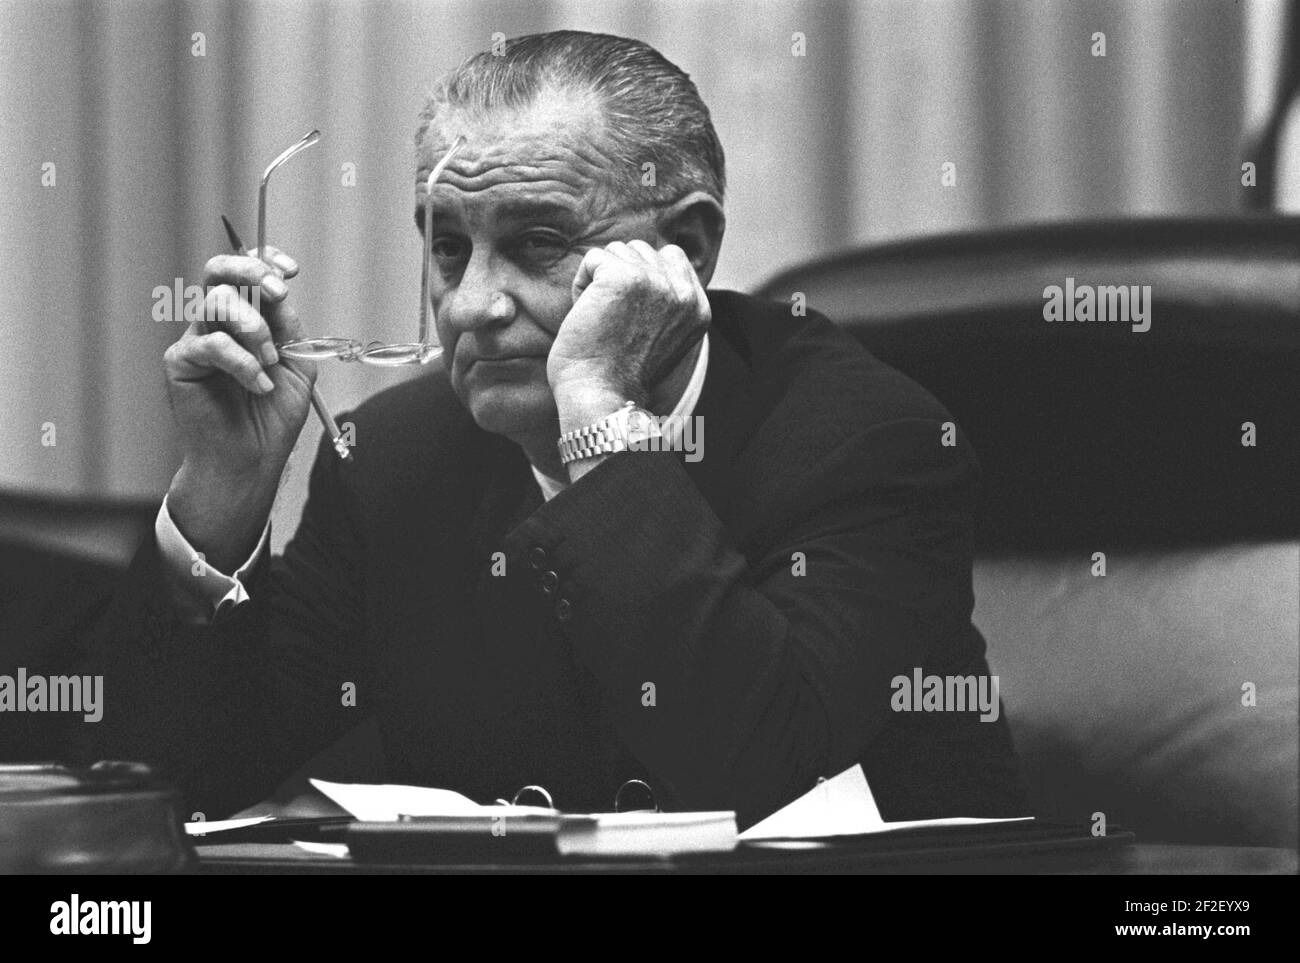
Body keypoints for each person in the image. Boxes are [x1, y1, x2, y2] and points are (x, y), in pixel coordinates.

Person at [74, 30, 1026, 828]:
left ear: (685, 251)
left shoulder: (868, 443)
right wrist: (222, 498)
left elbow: (756, 780)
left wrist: (603, 425)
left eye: (536, 244)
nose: (471, 304)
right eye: (448, 247)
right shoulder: (396, 458)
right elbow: (180, 789)